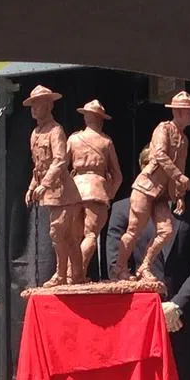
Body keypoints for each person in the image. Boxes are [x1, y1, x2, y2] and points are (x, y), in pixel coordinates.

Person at [106, 144, 190, 380]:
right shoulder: (122, 210)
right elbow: (115, 267)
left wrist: (176, 305)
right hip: (138, 320)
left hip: (180, 320)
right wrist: (151, 309)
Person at [109, 91, 190, 281]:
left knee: (166, 231)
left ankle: (145, 267)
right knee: (134, 229)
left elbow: (181, 169)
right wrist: (179, 176)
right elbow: (159, 154)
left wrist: (180, 196)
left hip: (162, 194)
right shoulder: (163, 128)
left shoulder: (184, 140)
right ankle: (119, 269)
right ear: (178, 112)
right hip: (146, 187)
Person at [23, 85, 84, 287]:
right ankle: (77, 274)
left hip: (63, 191)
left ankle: (61, 275)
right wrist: (33, 187)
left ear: (48, 105)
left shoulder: (56, 130)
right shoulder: (35, 133)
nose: (33, 109)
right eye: (31, 105)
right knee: (67, 236)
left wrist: (45, 185)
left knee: (57, 232)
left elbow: (59, 160)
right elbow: (38, 166)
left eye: (37, 104)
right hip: (50, 192)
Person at [67, 99, 122, 276]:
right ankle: (75, 274)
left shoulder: (73, 139)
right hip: (97, 190)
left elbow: (61, 166)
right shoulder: (106, 142)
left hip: (75, 190)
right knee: (90, 235)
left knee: (73, 237)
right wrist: (110, 194)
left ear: (86, 118)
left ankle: (71, 273)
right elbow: (118, 175)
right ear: (100, 119)